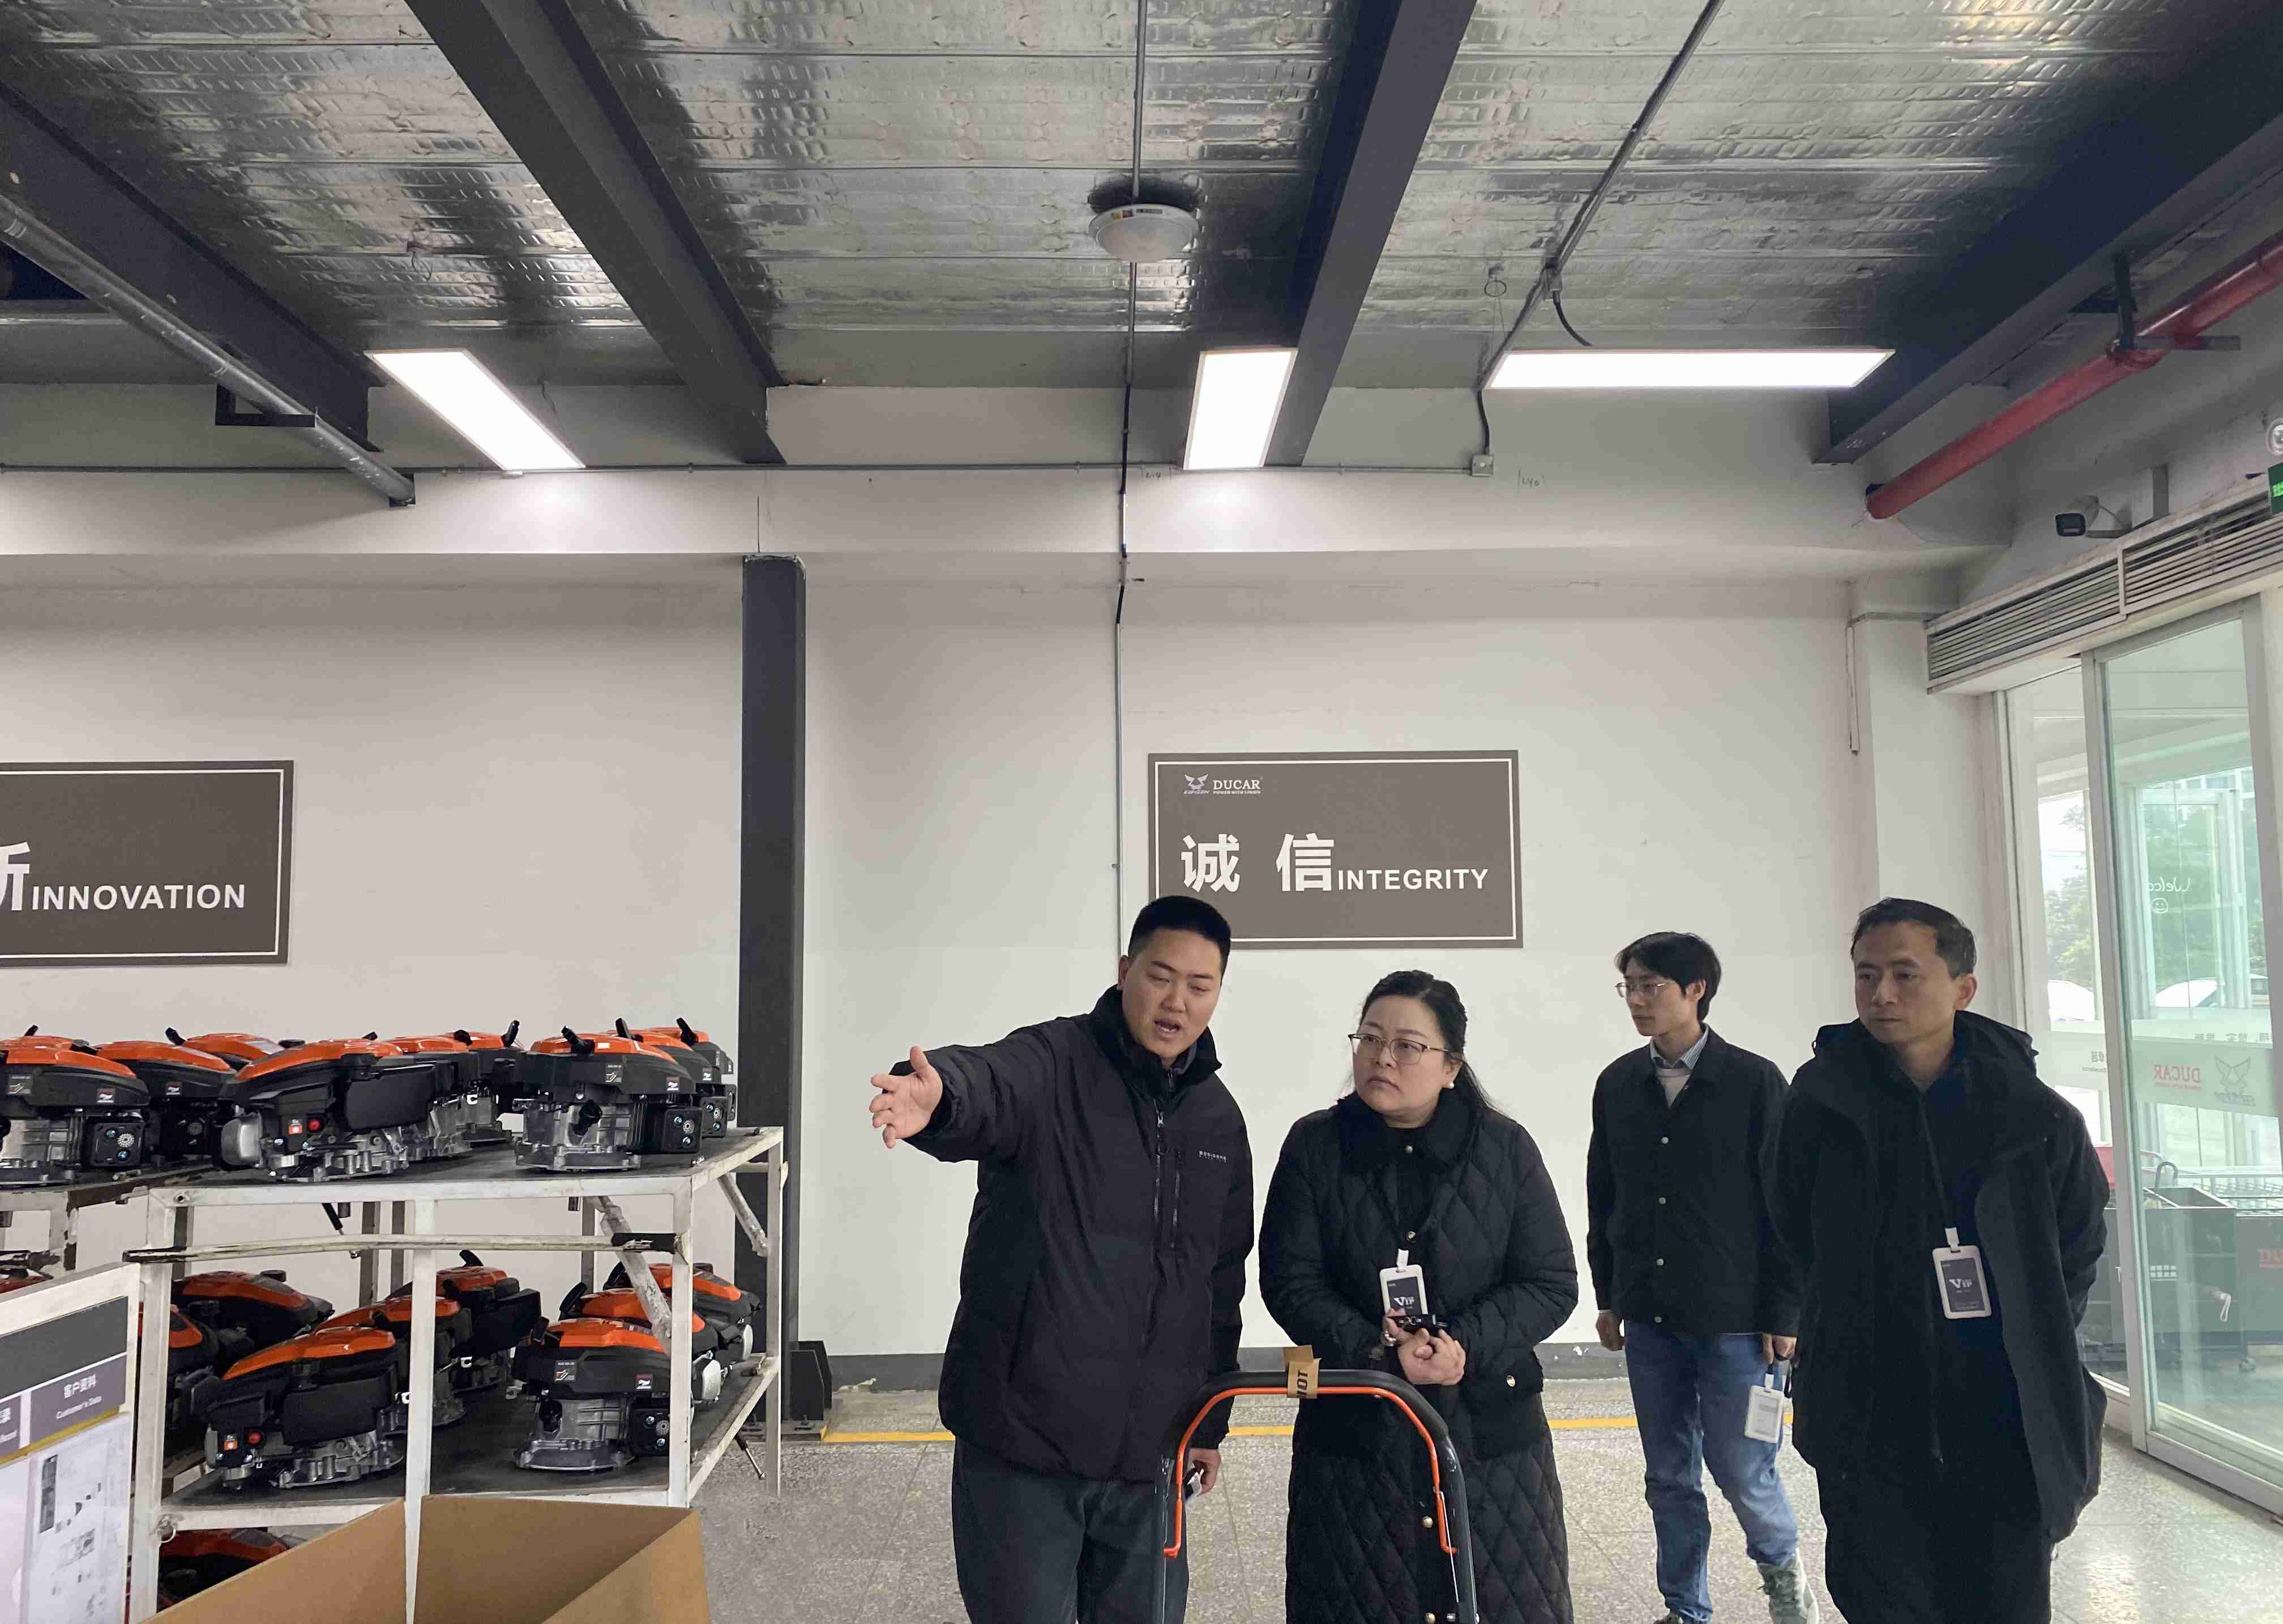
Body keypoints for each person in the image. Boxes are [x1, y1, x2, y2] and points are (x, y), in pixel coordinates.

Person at [866, 895, 1252, 1624]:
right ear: (1125, 971)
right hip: (1025, 1448)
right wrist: (939, 1098)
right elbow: (988, 1082)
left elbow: (1219, 1283)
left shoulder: (1218, 1121)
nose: (1177, 1002)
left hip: (1149, 1460)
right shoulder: (1052, 1064)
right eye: (1161, 976)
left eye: (1200, 986)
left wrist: (1209, 1423)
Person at [1775, 899, 2109, 1624]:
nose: (1882, 995)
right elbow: (1792, 1225)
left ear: (1963, 989)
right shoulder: (1820, 1104)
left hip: (2004, 1409)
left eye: (1905, 974)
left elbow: (2078, 1242)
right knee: (1883, 1596)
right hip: (1870, 1407)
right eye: (1867, 975)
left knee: (2004, 1599)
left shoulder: (2033, 1114)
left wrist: (2034, 1328)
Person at [1260, 970, 1577, 1624]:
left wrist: (1464, 1346)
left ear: (1451, 1067)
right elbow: (1290, 1281)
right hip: (1356, 1437)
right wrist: (1376, 1351)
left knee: (1494, 1599)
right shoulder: (1314, 1146)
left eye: (1407, 1046)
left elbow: (1551, 1282)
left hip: (1490, 1439)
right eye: (1369, 1039)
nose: (1382, 1058)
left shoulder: (1505, 1149)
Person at [1588, 932, 1816, 1624]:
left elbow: (1786, 1206)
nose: (1637, 999)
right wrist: (1609, 1296)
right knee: (1668, 1477)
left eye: (1651, 985)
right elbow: (1605, 1196)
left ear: (1697, 991)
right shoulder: (1618, 1084)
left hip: (1736, 1322)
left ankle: (1787, 1590)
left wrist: (1786, 1312)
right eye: (1629, 986)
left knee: (1743, 1471)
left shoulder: (1753, 1082)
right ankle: (1685, 1609)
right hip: (1651, 1318)